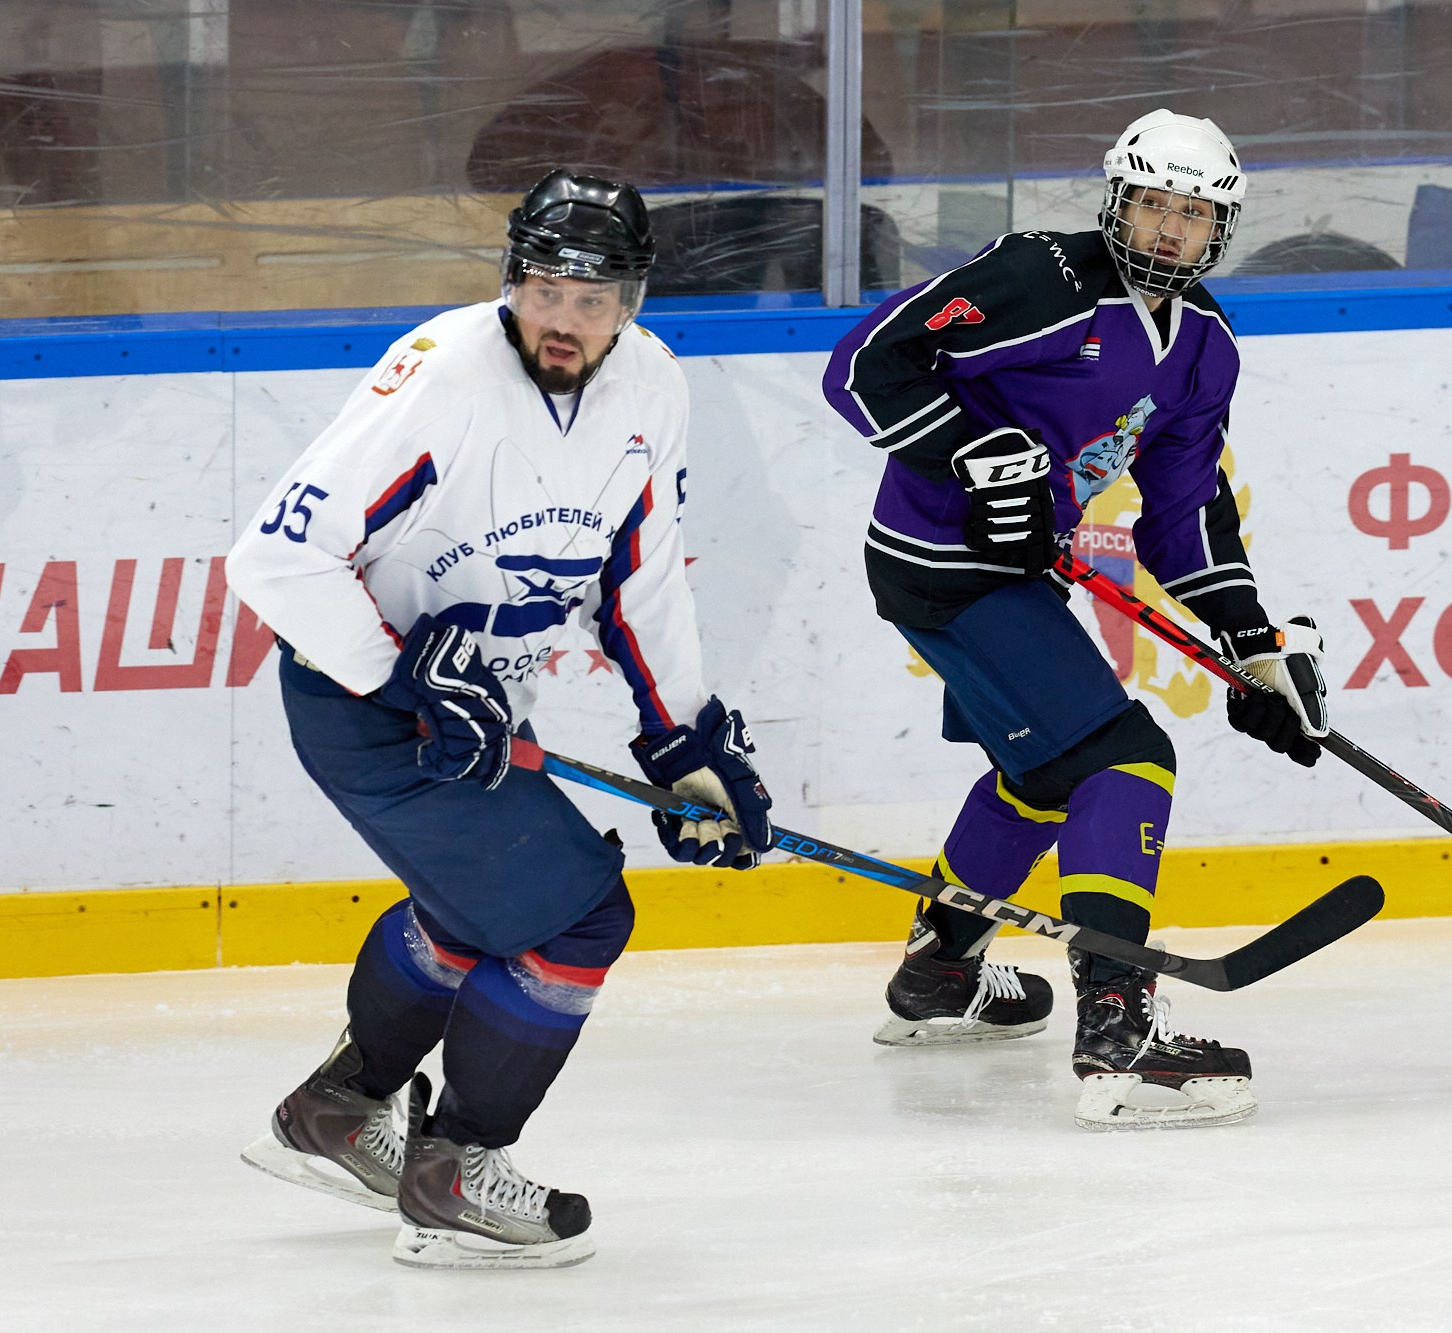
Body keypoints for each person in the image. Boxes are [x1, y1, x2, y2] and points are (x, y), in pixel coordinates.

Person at [229, 169, 775, 1267]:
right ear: (511, 279)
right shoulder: (444, 378)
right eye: (542, 288)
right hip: (365, 703)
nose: (562, 318)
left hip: (472, 707)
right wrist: (404, 688)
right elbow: (276, 559)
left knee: (473, 914)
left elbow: (639, 579)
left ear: (632, 300)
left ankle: (340, 1111)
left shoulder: (651, 387)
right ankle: (458, 1170)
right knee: (578, 915)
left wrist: (682, 738)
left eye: (591, 296)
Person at [821, 110, 1329, 1130]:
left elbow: (1181, 515)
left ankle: (939, 974)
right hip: (942, 565)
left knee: (1040, 775)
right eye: (1153, 205)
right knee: (1124, 759)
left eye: (1194, 213)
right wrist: (975, 459)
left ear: (1218, 228)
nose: (1169, 230)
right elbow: (867, 363)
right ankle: (1118, 1031)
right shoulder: (1041, 278)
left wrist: (1254, 647)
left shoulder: (1201, 350)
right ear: (1116, 201)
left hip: (1010, 575)